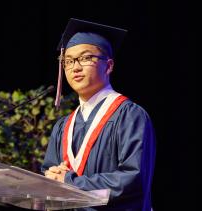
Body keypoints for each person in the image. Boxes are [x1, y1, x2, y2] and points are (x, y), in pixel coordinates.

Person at [42, 18, 156, 211]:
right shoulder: (63, 126)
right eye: (68, 61)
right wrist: (50, 178)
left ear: (109, 65)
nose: (75, 67)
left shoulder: (130, 116)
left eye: (85, 58)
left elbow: (133, 178)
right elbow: (50, 175)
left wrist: (69, 181)